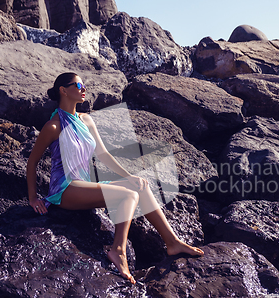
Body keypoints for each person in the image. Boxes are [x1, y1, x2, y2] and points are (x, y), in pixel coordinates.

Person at [26, 72, 204, 284]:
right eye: (78, 85)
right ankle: (118, 250)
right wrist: (33, 198)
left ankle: (172, 242)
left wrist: (129, 176)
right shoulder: (53, 126)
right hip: (64, 190)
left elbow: (103, 155)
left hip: (84, 185)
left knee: (140, 187)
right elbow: (32, 162)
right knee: (128, 196)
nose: (83, 89)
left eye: (84, 85)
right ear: (63, 90)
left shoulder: (86, 120)